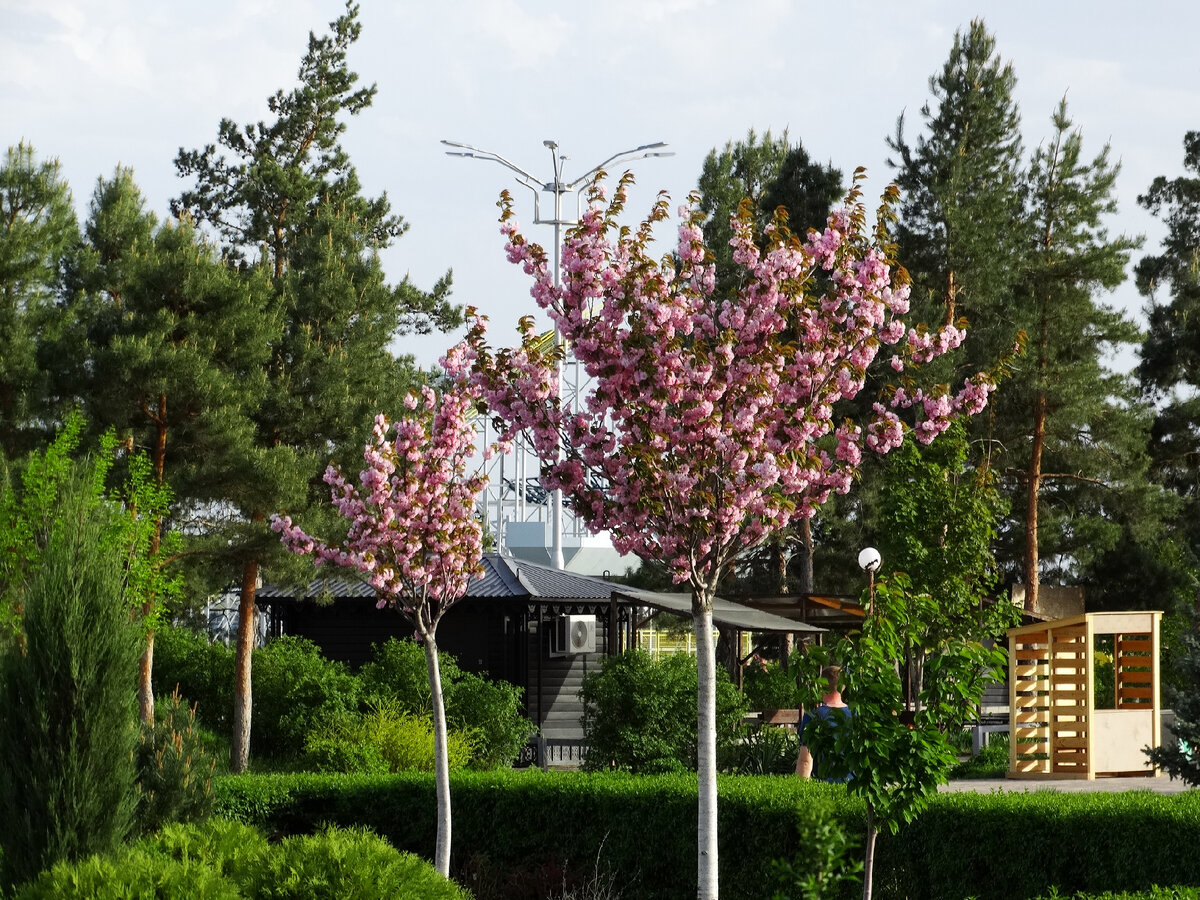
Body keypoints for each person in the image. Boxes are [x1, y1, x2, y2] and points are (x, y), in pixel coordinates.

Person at [796, 664, 852, 781]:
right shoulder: (856, 715)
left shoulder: (814, 716)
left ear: (822, 686)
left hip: (825, 785)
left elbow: (805, 760)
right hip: (853, 785)